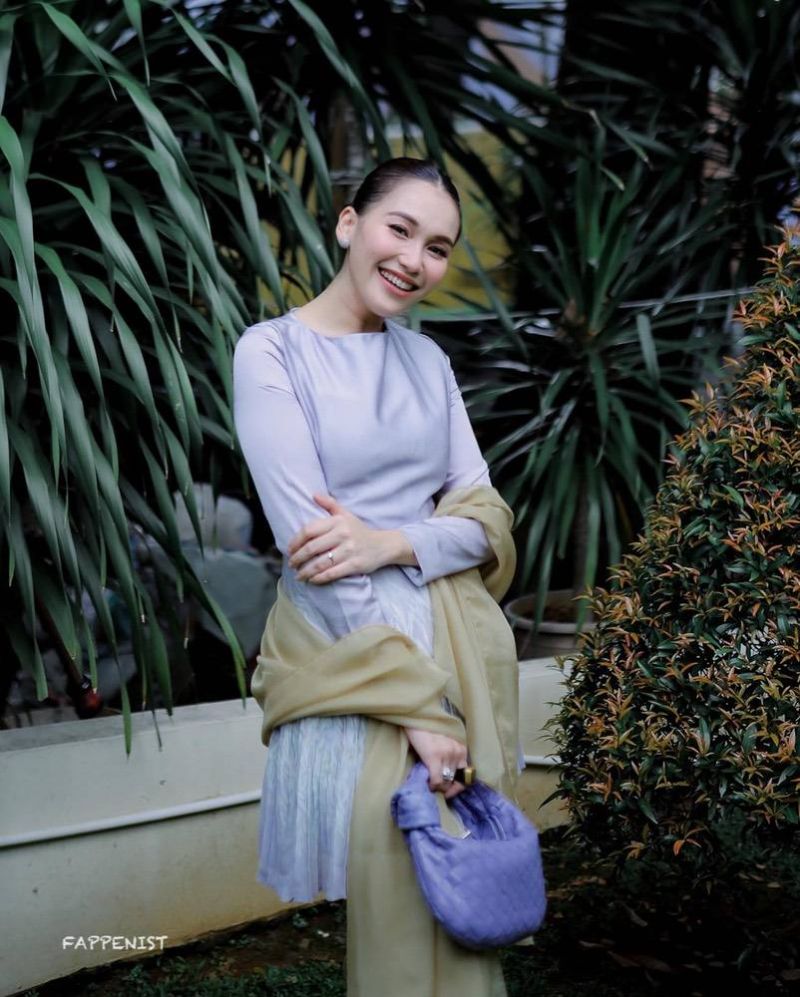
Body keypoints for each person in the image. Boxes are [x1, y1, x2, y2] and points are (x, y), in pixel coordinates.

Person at [233, 157, 516, 996]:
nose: (414, 260)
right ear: (349, 222)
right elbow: (319, 556)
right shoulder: (271, 351)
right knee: (402, 885)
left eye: (439, 247)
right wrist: (418, 708)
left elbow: (486, 520)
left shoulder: (427, 359)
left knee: (457, 888)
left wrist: (389, 541)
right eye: (400, 229)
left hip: (454, 639)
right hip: (356, 653)